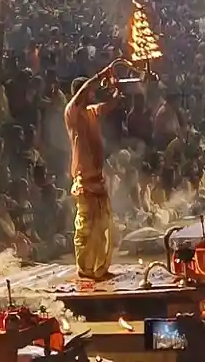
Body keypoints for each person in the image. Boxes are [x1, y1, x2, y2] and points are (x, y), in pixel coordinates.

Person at [65, 60, 125, 281]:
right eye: (89, 92)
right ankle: (85, 269)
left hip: (98, 180)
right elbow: (82, 94)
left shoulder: (90, 112)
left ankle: (100, 268)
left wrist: (116, 92)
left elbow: (109, 106)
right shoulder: (71, 111)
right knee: (86, 228)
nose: (92, 95)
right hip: (84, 180)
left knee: (104, 227)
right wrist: (101, 74)